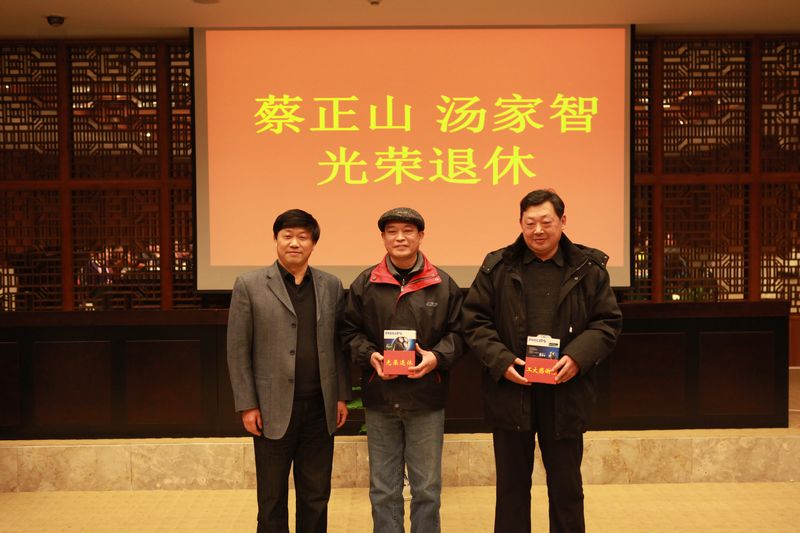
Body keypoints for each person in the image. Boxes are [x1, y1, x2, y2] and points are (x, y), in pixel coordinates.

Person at [462, 190, 622, 533]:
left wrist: (577, 357)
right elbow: (474, 321)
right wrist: (502, 361)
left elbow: (607, 323)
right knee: (511, 490)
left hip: (565, 392)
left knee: (566, 489)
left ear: (563, 221)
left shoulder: (588, 268)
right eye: (530, 222)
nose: (538, 230)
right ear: (520, 223)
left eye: (546, 222)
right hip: (511, 391)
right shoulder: (497, 266)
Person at [227, 209, 350, 533]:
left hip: (320, 408)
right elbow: (238, 350)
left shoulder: (331, 285)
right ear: (276, 240)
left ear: (313, 244)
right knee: (271, 499)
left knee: (316, 496)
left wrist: (341, 396)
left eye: (303, 237)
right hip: (271, 409)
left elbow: (338, 345)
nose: (295, 243)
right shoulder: (249, 285)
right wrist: (247, 404)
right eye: (287, 236)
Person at [342, 207, 464, 533]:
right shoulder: (365, 283)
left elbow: (460, 334)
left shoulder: (443, 284)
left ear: (420, 236)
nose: (400, 237)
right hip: (380, 398)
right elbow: (349, 333)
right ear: (383, 237)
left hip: (426, 399)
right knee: (384, 490)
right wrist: (371, 356)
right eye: (392, 231)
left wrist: (436, 357)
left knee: (427, 490)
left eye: (408, 231)